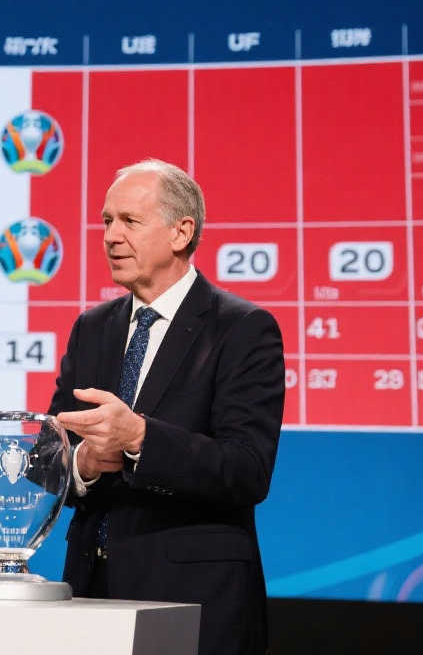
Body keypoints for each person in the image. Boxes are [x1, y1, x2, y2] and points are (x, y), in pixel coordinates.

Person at [49, 159, 284, 655]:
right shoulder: (92, 328)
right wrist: (83, 463)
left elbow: (246, 470)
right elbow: (56, 452)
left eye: (130, 221)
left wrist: (139, 438)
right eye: (106, 221)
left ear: (181, 232)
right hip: (90, 592)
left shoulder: (242, 328)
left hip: (194, 599)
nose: (111, 236)